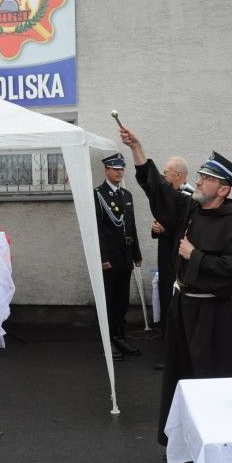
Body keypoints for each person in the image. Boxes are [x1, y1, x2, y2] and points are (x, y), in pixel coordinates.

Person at [119, 125, 232, 446]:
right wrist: (137, 149)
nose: (201, 180)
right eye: (201, 175)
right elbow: (161, 192)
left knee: (210, 377)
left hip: (214, 314)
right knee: (179, 374)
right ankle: (181, 440)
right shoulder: (190, 207)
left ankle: (215, 442)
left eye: (208, 178)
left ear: (223, 189)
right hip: (183, 306)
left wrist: (196, 256)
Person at [94, 153, 142, 360]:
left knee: (122, 301)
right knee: (109, 300)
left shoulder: (127, 195)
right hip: (110, 258)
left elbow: (130, 226)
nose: (119, 172)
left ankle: (120, 338)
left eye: (121, 169)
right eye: (115, 169)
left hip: (126, 256)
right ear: (106, 170)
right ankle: (108, 343)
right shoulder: (98, 194)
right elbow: (98, 229)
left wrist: (137, 253)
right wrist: (103, 257)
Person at [150, 156, 194, 370]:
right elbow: (164, 222)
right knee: (167, 299)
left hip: (180, 259)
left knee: (178, 303)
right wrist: (156, 228)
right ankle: (167, 346)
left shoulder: (190, 197)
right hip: (165, 256)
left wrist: (165, 230)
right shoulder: (169, 194)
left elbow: (185, 230)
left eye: (166, 172)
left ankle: (176, 353)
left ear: (178, 175)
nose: (163, 175)